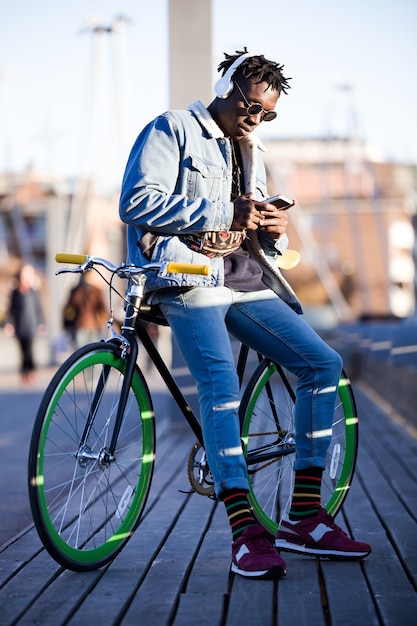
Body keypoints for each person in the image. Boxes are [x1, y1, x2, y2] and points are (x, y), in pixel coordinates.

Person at [119, 48, 371, 579]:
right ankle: (245, 530)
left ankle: (303, 516)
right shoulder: (172, 129)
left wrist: (271, 232)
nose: (256, 119)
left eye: (267, 114)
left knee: (322, 365)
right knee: (220, 388)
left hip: (246, 280)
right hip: (189, 277)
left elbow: (251, 228)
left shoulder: (251, 149)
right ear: (229, 87)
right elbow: (136, 201)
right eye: (251, 106)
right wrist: (222, 210)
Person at [6, 263, 45, 384]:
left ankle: (31, 371)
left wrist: (41, 323)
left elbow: (38, 309)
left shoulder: (34, 292)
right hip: (19, 325)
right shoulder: (15, 293)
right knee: (22, 351)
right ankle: (24, 373)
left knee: (30, 351)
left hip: (31, 325)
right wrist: (9, 323)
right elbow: (11, 310)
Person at [62, 275, 108, 349]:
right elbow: (103, 310)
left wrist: (66, 325)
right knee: (93, 352)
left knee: (81, 353)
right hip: (93, 326)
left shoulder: (76, 290)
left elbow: (68, 310)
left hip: (81, 326)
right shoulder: (96, 291)